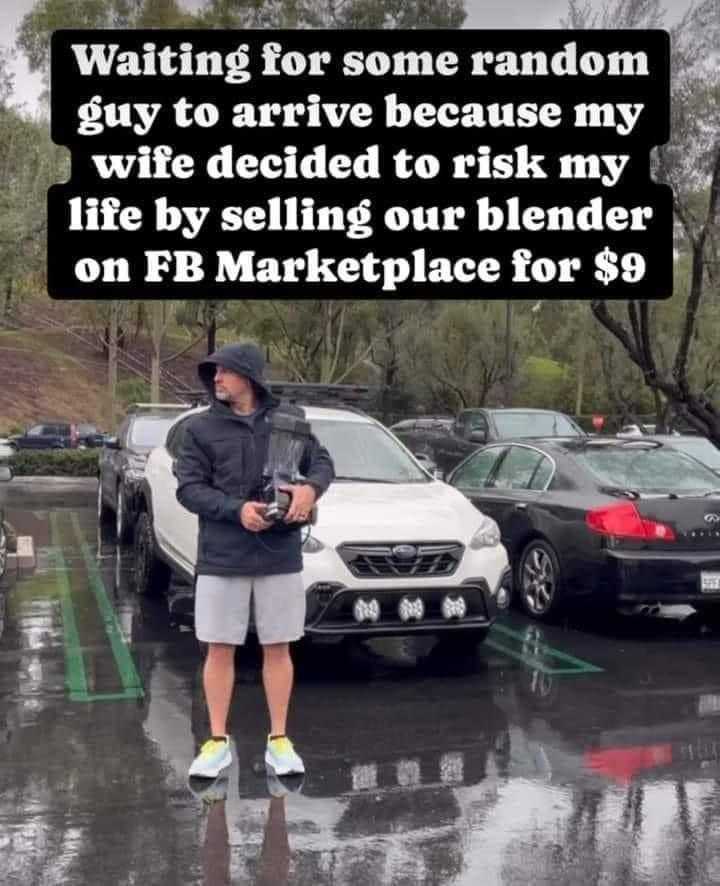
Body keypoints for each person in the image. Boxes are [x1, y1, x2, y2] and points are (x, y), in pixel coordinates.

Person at [176, 342, 334, 780]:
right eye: (215, 373)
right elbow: (189, 488)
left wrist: (310, 489)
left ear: (249, 377)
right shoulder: (200, 430)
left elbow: (322, 462)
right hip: (222, 557)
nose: (217, 380)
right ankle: (216, 742)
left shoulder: (290, 422)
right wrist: (236, 510)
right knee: (219, 648)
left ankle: (279, 740)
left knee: (278, 647)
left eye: (224, 372)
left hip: (279, 555)